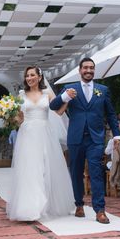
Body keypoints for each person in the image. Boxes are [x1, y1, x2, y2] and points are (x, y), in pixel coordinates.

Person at [50, 58, 120, 224]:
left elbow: (110, 114)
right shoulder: (70, 88)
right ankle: (79, 204)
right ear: (80, 70)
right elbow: (53, 106)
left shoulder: (102, 90)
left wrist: (116, 134)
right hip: (76, 138)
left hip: (95, 138)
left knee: (96, 172)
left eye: (91, 68)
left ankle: (100, 210)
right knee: (76, 173)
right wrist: (65, 97)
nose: (89, 70)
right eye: (86, 68)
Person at [6, 66, 74, 221]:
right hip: (27, 134)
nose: (29, 78)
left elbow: (58, 112)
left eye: (32, 75)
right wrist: (10, 116)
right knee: (30, 169)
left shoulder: (47, 94)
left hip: (45, 133)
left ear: (39, 77)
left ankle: (47, 205)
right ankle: (30, 207)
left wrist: (67, 99)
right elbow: (18, 119)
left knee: (46, 168)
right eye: (27, 75)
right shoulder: (21, 95)